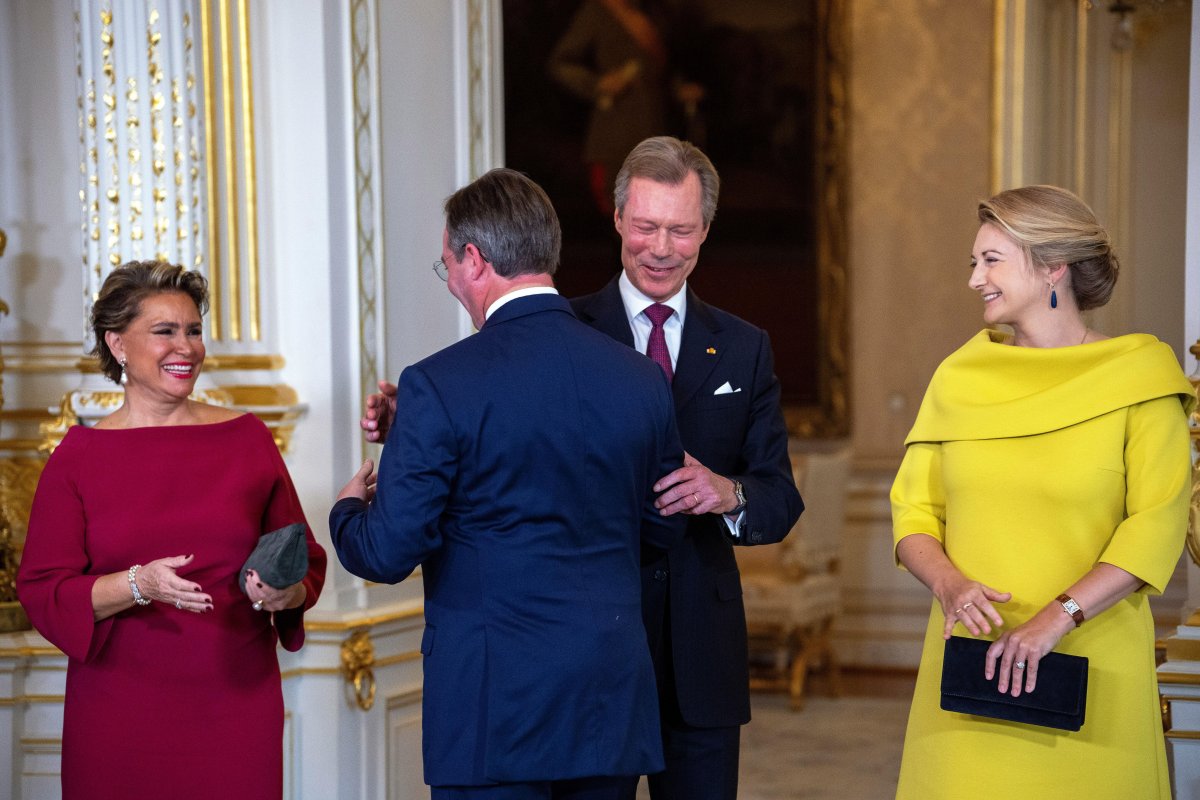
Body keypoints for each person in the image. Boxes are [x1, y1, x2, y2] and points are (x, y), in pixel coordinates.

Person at [362, 137, 803, 799]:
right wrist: (413, 429)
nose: (661, 248)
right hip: (581, 660)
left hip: (698, 657)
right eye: (646, 226)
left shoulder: (745, 347)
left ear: (706, 229)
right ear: (618, 218)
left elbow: (780, 495)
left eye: (681, 230)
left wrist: (728, 493)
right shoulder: (561, 326)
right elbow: (494, 431)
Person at [330, 168, 687, 799]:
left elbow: (385, 553)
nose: (451, 282)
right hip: (608, 699)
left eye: (446, 266)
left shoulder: (437, 384)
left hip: (492, 708)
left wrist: (349, 509)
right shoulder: (641, 377)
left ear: (474, 259)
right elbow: (662, 526)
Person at [891, 185, 1195, 799]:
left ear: (1053, 266)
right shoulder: (960, 377)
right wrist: (949, 585)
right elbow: (914, 510)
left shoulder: (1140, 378)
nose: (975, 279)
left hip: (1094, 662)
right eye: (973, 262)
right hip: (971, 660)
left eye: (991, 260)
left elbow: (1156, 524)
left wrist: (1057, 618)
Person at [16, 260, 327, 799]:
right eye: (165, 331)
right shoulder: (78, 458)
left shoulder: (247, 439)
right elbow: (44, 590)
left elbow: (304, 559)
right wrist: (139, 584)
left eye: (194, 331)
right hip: (119, 716)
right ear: (117, 344)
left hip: (236, 707)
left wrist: (285, 592)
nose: (186, 347)